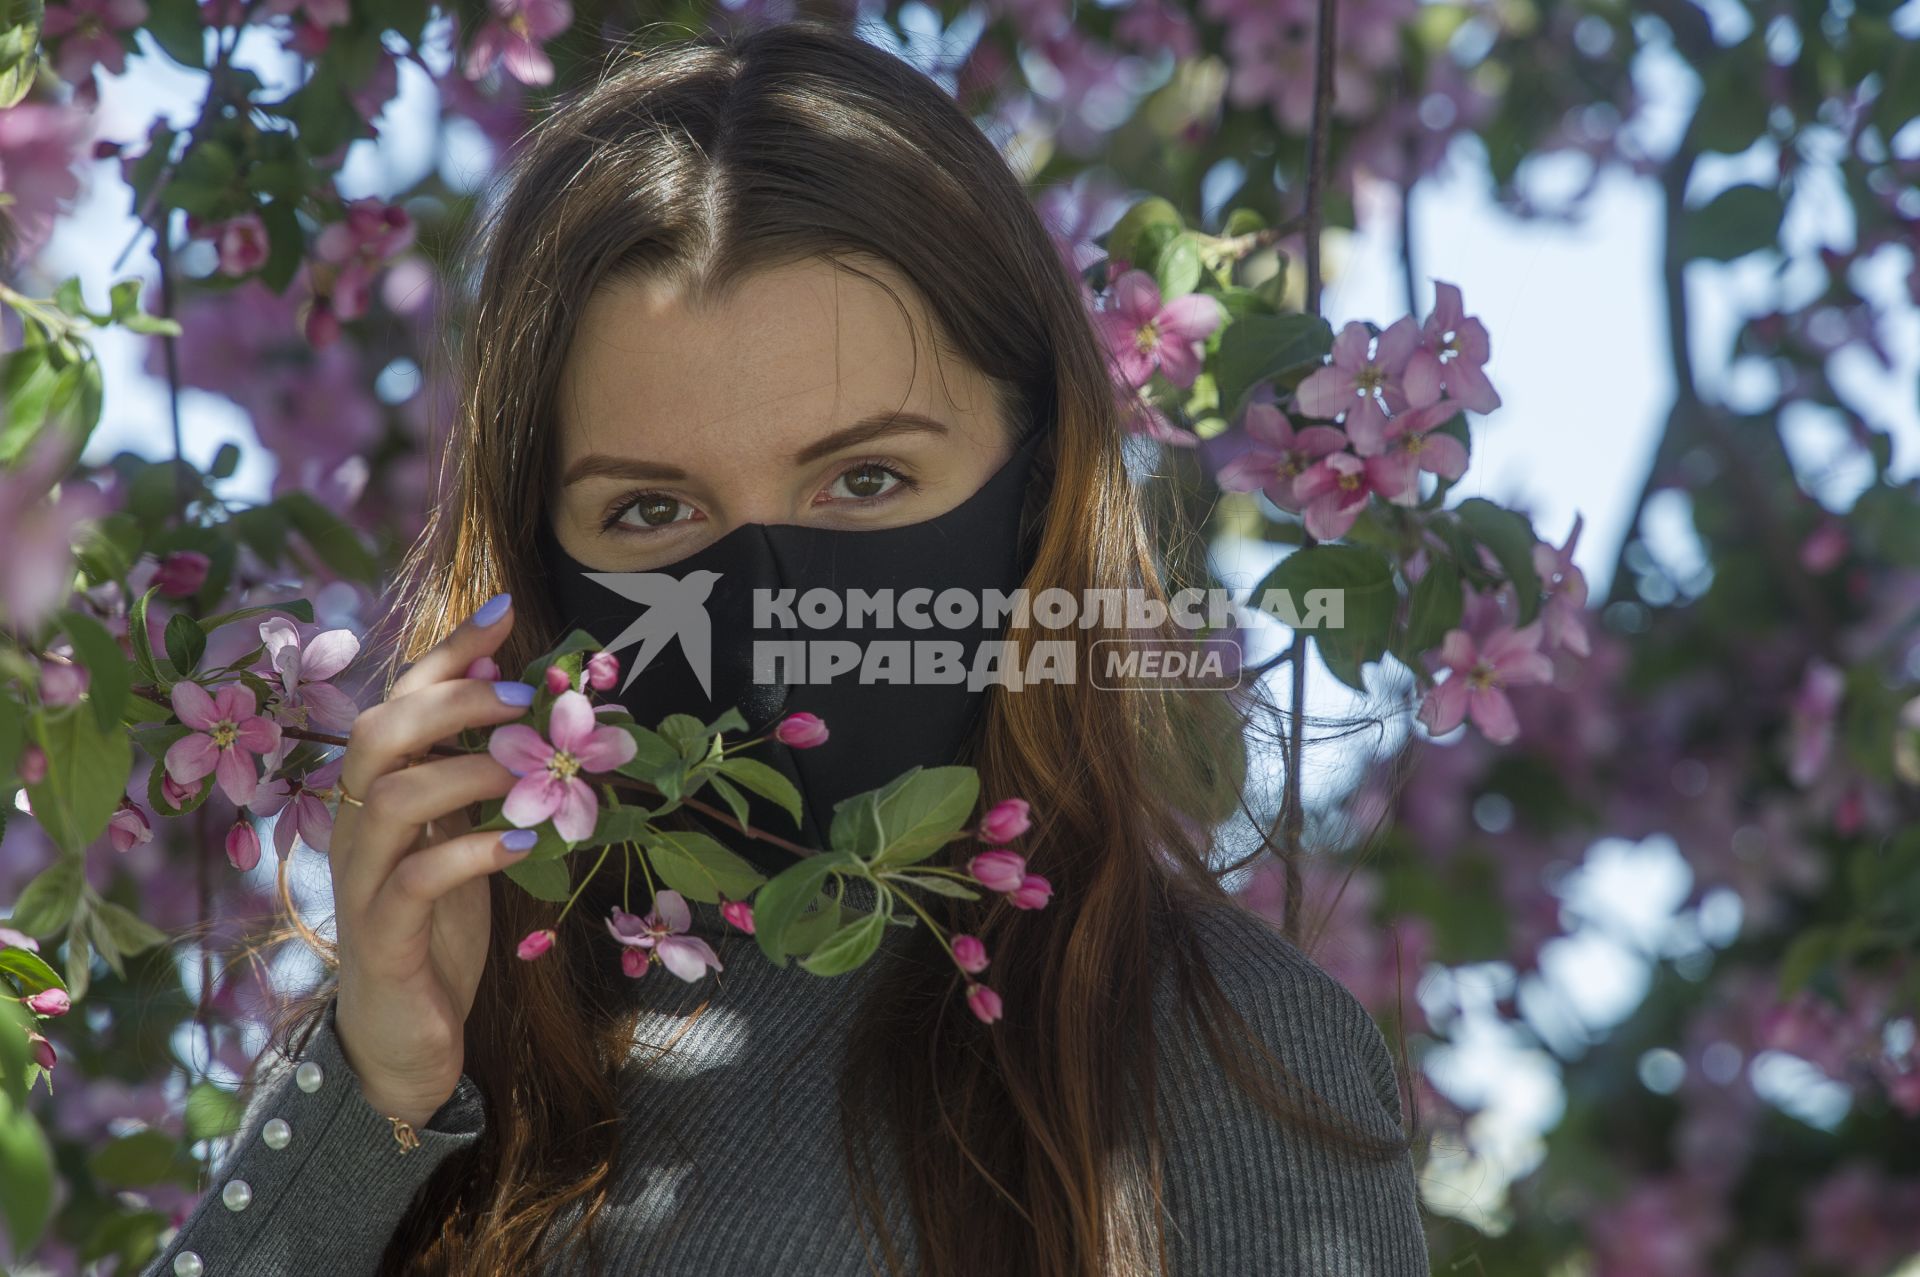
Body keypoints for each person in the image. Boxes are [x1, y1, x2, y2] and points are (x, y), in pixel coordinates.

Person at [141, 19, 1429, 1277]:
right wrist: (372, 1102)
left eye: (866, 480)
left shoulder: (1223, 1058)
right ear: (541, 557)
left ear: (1038, 483)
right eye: (651, 512)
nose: (770, 605)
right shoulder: (442, 1034)